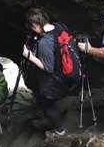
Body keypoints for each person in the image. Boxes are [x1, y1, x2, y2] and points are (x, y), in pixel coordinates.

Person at [22, 8, 70, 138]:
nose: (32, 30)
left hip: (53, 80)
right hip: (63, 72)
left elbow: (48, 67)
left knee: (48, 105)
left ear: (35, 25)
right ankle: (53, 120)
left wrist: (29, 56)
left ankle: (60, 131)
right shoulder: (59, 27)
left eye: (32, 27)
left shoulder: (45, 42)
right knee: (49, 104)